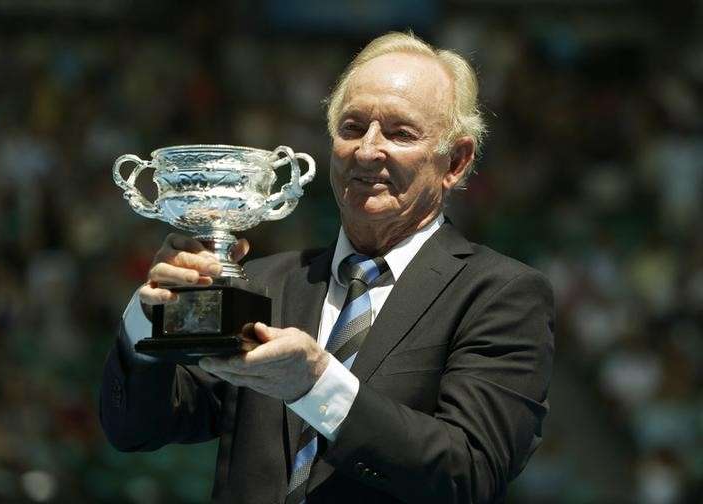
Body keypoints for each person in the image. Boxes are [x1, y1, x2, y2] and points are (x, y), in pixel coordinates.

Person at [100, 32, 554, 504]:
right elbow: (137, 428)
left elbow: (470, 471)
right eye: (353, 127)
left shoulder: (501, 294)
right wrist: (146, 319)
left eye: (400, 134)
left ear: (455, 162)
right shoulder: (265, 281)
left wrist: (318, 385)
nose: (367, 151)